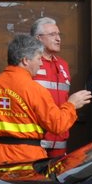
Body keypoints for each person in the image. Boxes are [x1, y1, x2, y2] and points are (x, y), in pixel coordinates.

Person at [0, 33, 92, 167]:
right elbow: (58, 125)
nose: (41, 63)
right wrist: (72, 105)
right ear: (25, 60)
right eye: (38, 58)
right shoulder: (35, 90)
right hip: (26, 159)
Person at [29, 17, 73, 157]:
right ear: (38, 38)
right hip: (36, 140)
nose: (58, 39)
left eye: (58, 34)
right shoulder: (29, 63)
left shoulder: (63, 65)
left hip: (60, 139)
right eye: (52, 34)